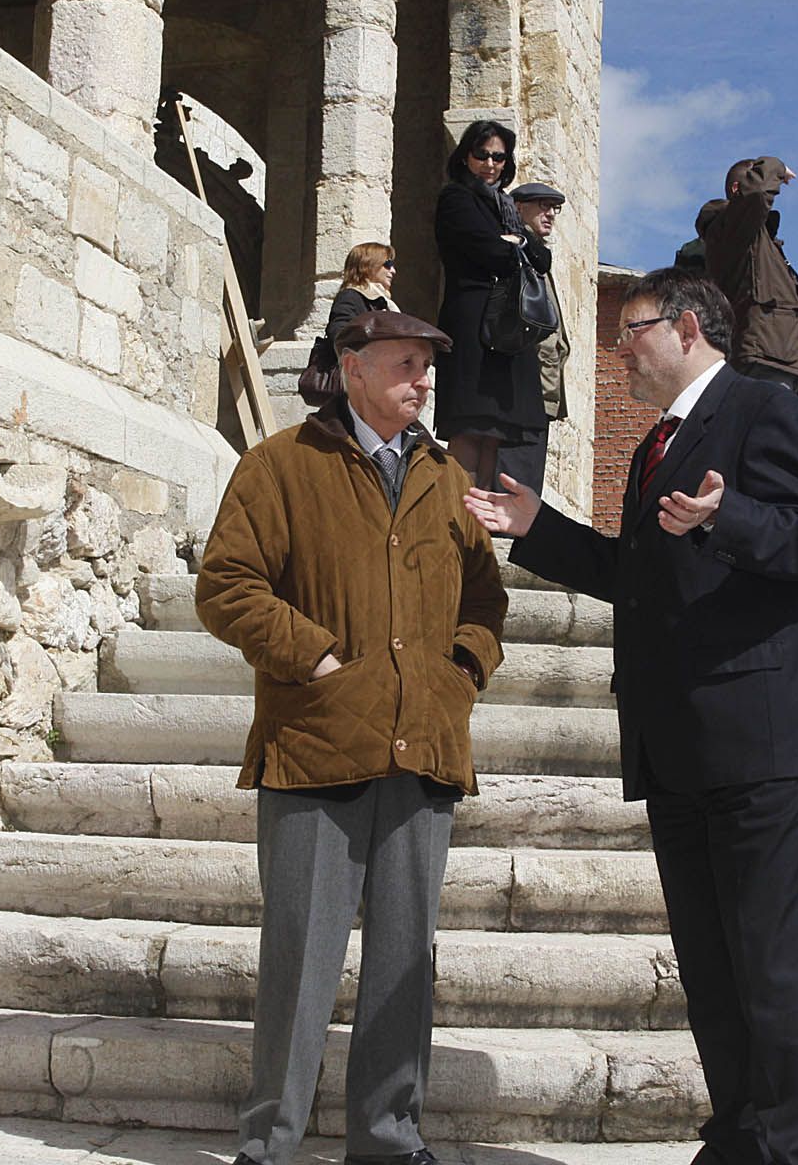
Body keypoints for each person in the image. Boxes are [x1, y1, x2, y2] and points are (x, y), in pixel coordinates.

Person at [464, 268, 798, 1165]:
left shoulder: (762, 412)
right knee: (714, 975)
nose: (620, 351)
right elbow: (637, 579)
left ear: (685, 327)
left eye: (630, 331)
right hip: (680, 746)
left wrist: (731, 517)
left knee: (777, 969)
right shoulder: (658, 444)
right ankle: (737, 1140)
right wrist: (539, 527)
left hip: (764, 740)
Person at [196, 308, 508, 1165]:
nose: (423, 379)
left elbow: (485, 597)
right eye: (406, 363)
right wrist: (317, 658)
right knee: (299, 959)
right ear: (353, 367)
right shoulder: (279, 468)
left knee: (406, 962)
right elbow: (225, 586)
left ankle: (388, 1137)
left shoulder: (445, 480)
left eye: (427, 366)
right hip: (316, 745)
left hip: (425, 746)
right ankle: (270, 1143)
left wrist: (462, 671)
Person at [433, 118, 552, 488]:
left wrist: (514, 241)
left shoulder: (507, 207)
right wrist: (513, 245)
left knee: (495, 434)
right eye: (482, 154)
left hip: (507, 330)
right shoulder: (456, 198)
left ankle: (478, 527)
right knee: (469, 429)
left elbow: (542, 259)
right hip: (473, 327)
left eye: (498, 157)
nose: (490, 164)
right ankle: (454, 521)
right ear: (466, 156)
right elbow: (489, 251)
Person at [695, 156, 798, 391]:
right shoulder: (727, 227)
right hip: (762, 358)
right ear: (737, 189)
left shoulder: (762, 246)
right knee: (765, 427)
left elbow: (767, 307)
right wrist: (777, 167)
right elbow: (757, 193)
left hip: (778, 358)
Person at [496, 181, 570, 496]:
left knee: (526, 483)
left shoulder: (536, 255)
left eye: (555, 208)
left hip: (540, 389)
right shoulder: (514, 248)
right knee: (512, 482)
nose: (550, 213)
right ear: (518, 207)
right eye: (542, 205)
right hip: (519, 387)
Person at [324, 242, 403, 349]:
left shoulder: (382, 300)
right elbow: (340, 337)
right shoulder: (351, 296)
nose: (393, 271)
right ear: (368, 265)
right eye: (388, 264)